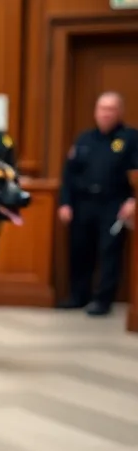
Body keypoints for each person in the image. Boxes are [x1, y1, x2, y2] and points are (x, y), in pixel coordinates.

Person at [58, 91, 138, 316]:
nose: (105, 114)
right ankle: (78, 296)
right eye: (102, 109)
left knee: (109, 252)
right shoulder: (84, 138)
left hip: (113, 203)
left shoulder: (131, 138)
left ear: (120, 112)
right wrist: (65, 203)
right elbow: (69, 174)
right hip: (83, 203)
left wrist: (133, 200)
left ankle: (103, 300)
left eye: (110, 109)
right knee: (80, 251)